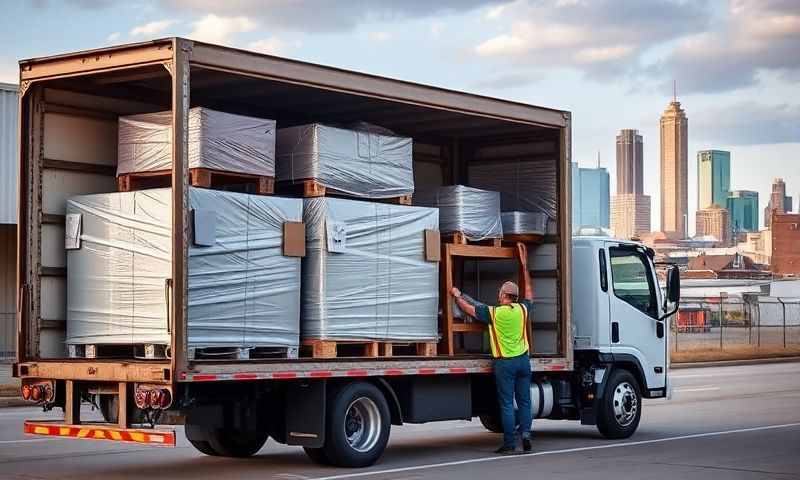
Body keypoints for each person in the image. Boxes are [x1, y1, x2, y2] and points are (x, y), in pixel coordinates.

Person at [451, 242, 534, 454]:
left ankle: (509, 443)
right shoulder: (522, 310)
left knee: (506, 404)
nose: (498, 295)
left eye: (500, 292)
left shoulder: (494, 313)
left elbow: (469, 309)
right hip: (523, 361)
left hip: (505, 363)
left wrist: (457, 295)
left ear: (503, 295)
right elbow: (530, 295)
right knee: (524, 401)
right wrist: (524, 267)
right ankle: (525, 434)